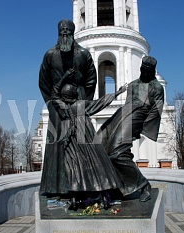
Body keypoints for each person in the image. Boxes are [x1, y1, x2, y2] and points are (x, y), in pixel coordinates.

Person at [39, 19, 97, 194]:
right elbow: (43, 82)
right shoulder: (50, 55)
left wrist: (83, 102)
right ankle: (55, 187)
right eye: (61, 33)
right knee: (57, 144)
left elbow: (91, 80)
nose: (65, 35)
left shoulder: (83, 54)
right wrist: (52, 105)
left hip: (78, 102)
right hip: (57, 106)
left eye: (68, 33)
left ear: (73, 34)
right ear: (58, 34)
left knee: (83, 142)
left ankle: (84, 186)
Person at [50, 78, 127, 210]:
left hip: (71, 140)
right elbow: (100, 103)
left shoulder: (63, 108)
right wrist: (117, 93)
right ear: (74, 94)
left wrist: (64, 77)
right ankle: (104, 197)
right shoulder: (81, 105)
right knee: (97, 165)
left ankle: (74, 199)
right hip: (88, 139)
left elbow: (54, 94)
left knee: (73, 168)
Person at [97, 56, 164, 201]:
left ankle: (143, 185)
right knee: (98, 144)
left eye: (147, 72)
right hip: (123, 114)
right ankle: (116, 187)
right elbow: (128, 105)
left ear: (152, 73)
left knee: (117, 154)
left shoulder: (157, 88)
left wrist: (140, 128)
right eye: (142, 71)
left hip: (137, 117)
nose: (144, 74)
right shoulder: (133, 85)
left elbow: (156, 111)